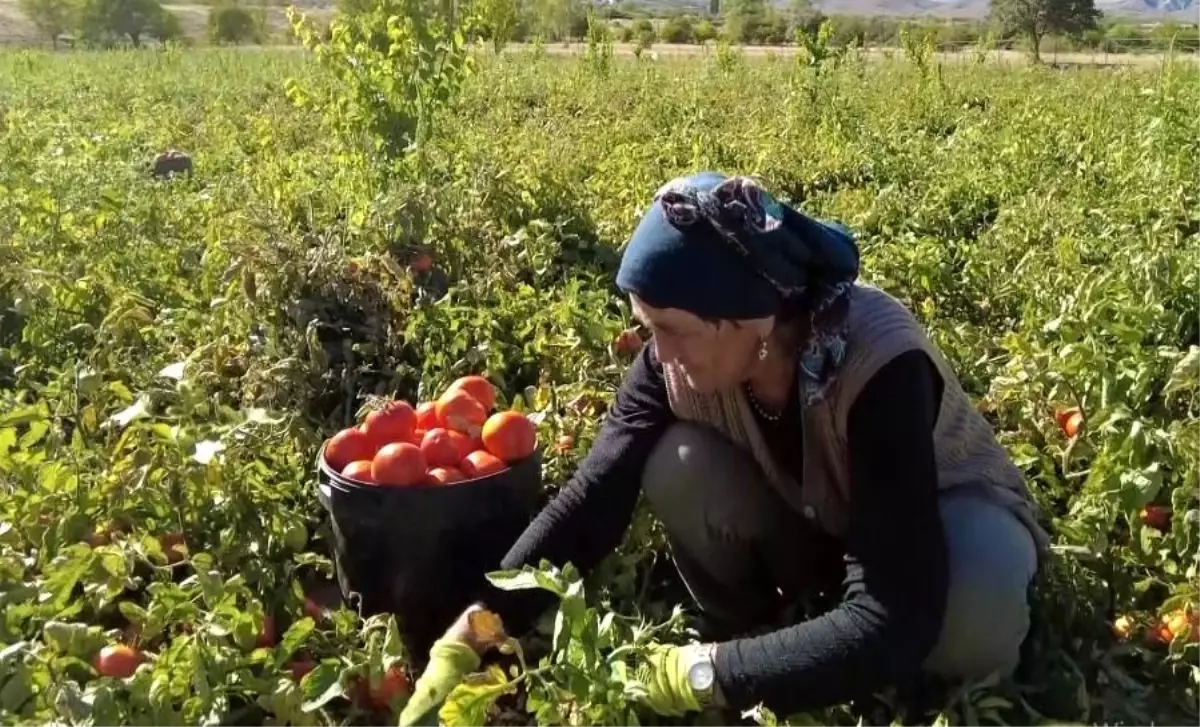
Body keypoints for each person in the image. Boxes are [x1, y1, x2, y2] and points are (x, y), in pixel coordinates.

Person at [398, 172, 1050, 725]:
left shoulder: (879, 365)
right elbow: (595, 494)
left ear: (752, 320)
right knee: (676, 461)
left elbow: (893, 616)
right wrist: (479, 624)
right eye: (647, 327)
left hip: (934, 516)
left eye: (672, 330)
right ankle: (777, 631)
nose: (658, 353)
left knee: (970, 609)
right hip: (822, 522)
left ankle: (863, 659)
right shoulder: (676, 362)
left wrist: (701, 674)